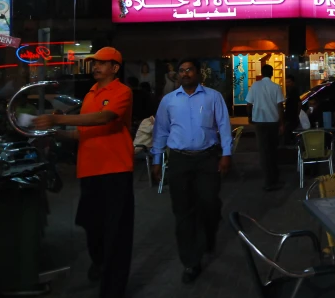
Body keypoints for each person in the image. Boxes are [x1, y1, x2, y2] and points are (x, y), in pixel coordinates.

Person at [33, 47, 134, 298]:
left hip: (115, 170)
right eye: (93, 63)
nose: (95, 67)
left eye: (101, 63)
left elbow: (104, 119)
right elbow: (82, 132)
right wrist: (55, 133)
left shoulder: (122, 91)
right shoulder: (90, 94)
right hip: (89, 171)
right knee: (90, 224)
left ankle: (113, 289)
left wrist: (58, 120)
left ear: (115, 68)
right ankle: (100, 264)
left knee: (116, 233)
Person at [150, 58, 233, 284]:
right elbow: (160, 131)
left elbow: (224, 126)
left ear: (198, 73)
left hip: (207, 158)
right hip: (179, 160)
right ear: (178, 75)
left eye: (190, 70)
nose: (185, 74)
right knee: (183, 211)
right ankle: (190, 262)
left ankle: (208, 235)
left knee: (209, 203)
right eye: (182, 71)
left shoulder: (213, 97)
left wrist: (226, 154)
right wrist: (156, 159)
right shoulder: (168, 101)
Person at [246, 64, 285, 191]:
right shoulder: (276, 87)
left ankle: (268, 180)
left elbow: (249, 103)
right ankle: (273, 179)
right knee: (273, 151)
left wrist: (250, 117)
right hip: (273, 122)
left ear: (262, 73)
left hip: (260, 122)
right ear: (272, 73)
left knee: (264, 152)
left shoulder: (255, 86)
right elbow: (280, 106)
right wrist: (281, 123)